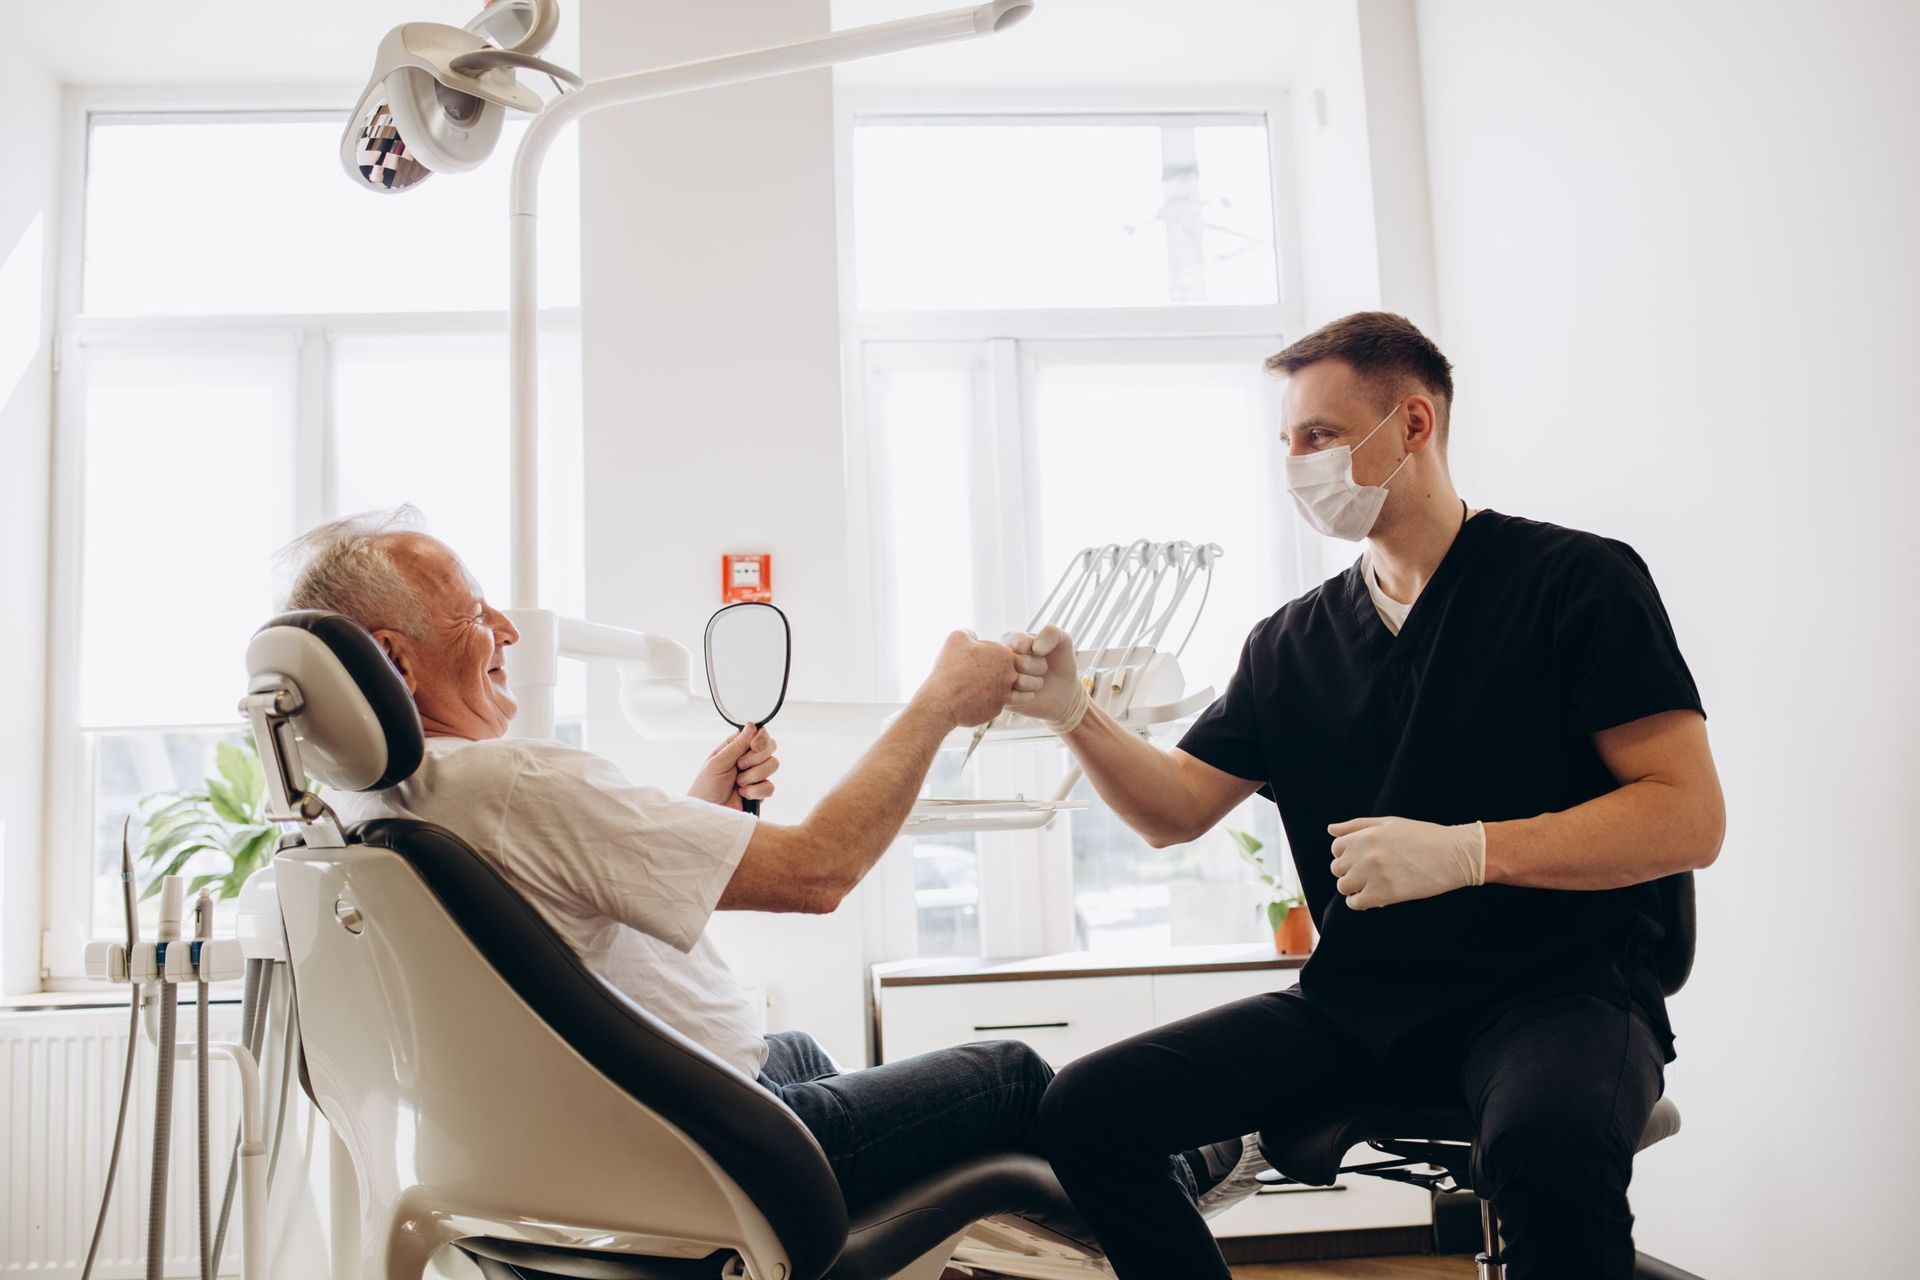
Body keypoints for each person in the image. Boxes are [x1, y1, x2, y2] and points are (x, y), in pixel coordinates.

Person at [1011, 312, 1726, 1280]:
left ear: (1415, 425)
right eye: (1288, 442)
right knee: (1088, 1109)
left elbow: (1689, 814)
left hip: (1559, 993)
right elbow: (1177, 805)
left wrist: (1470, 849)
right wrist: (1074, 715)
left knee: (1546, 1150)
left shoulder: (1575, 583)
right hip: (1363, 1005)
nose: (1298, 463)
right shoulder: (1289, 644)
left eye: (1321, 435)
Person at [277, 510, 1247, 1218]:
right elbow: (817, 873)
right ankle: (1168, 1170)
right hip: (698, 1151)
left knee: (806, 1055)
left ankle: (1054, 1211)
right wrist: (939, 705)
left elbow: (555, 925)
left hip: (622, 1123)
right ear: (395, 664)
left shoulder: (375, 807)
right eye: (475, 613)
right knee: (1010, 1074)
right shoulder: (509, 778)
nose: (511, 632)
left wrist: (698, 819)